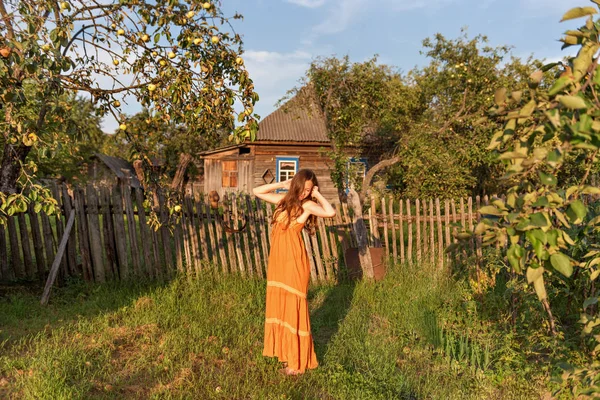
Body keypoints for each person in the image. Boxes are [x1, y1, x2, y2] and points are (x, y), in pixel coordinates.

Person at [252, 169, 336, 375]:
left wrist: (316, 194)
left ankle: (297, 364)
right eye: (303, 188)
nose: (304, 193)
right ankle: (287, 355)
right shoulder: (284, 201)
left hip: (294, 264)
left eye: (308, 189)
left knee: (293, 311)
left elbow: (330, 212)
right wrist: (286, 182)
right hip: (278, 264)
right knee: (281, 308)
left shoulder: (307, 205)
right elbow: (257, 191)